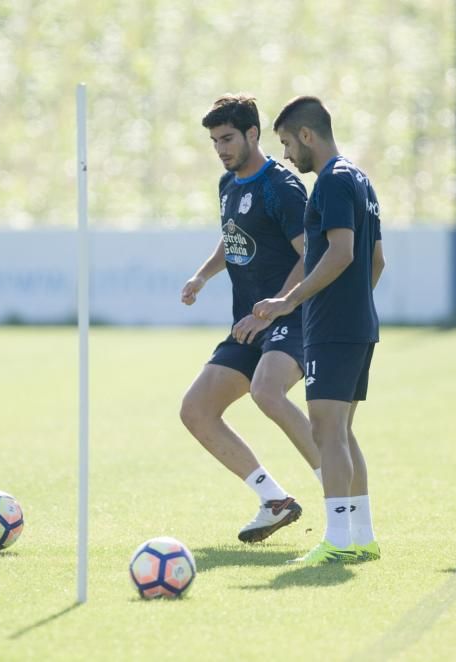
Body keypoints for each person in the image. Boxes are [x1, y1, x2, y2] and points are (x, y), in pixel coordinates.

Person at [180, 94, 321, 543]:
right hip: (249, 324)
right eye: (214, 141)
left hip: (291, 315)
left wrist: (277, 305)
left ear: (253, 134)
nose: (220, 149)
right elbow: (233, 238)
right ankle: (274, 500)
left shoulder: (280, 186)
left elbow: (311, 257)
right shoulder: (229, 184)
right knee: (196, 411)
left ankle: (340, 494)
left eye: (227, 139)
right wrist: (202, 276)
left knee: (267, 392)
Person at [254, 96, 385, 565]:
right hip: (357, 324)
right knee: (342, 433)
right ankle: (361, 534)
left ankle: (337, 539)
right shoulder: (360, 179)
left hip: (334, 329)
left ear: (307, 135)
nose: (287, 155)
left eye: (288, 143)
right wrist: (354, 304)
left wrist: (289, 300)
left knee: (328, 433)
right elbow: (377, 261)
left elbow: (342, 252)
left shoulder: (330, 182)